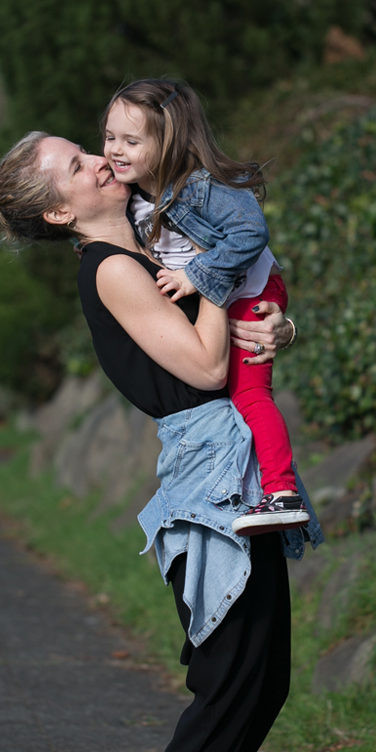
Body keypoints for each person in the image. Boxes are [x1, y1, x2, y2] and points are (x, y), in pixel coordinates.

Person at [0, 131, 322, 752]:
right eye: (76, 165)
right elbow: (199, 369)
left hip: (229, 462)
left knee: (261, 677)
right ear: (62, 210)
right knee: (232, 678)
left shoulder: (154, 244)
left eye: (86, 147)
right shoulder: (116, 268)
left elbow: (234, 343)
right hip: (208, 477)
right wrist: (219, 286)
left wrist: (274, 330)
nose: (99, 158)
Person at [103, 78, 308, 537]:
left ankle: (281, 491)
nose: (115, 150)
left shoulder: (202, 188)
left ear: (170, 142)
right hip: (228, 297)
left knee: (249, 395)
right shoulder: (136, 196)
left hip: (252, 292)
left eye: (131, 141)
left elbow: (251, 233)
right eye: (110, 137)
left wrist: (197, 277)